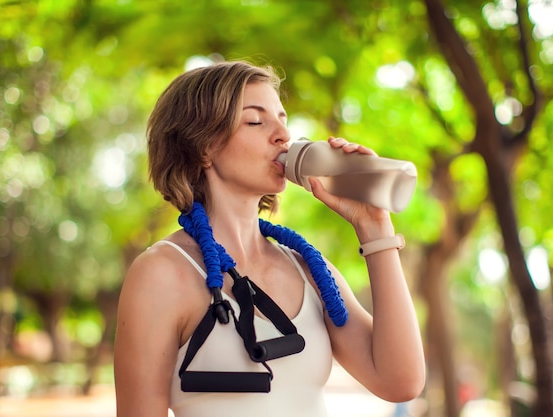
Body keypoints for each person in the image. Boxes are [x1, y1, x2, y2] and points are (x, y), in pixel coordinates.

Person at [113, 60, 425, 417]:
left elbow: (401, 381)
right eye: (255, 121)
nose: (282, 136)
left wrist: (375, 227)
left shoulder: (308, 268)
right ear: (204, 146)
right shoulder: (161, 274)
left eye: (283, 119)